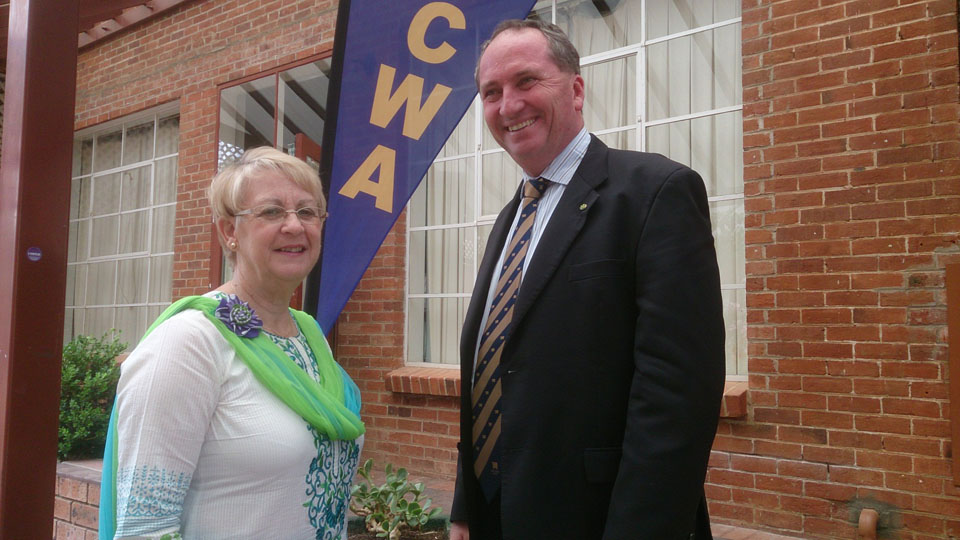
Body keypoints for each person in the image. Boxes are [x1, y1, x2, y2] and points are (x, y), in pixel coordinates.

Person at [449, 20, 725, 540]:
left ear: (575, 89)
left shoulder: (655, 193)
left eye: (527, 81)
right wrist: (468, 503)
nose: (508, 105)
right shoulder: (509, 221)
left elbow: (676, 402)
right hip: (500, 516)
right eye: (491, 92)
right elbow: (493, 370)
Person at [99, 147, 365, 540]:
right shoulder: (188, 344)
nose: (294, 226)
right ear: (228, 232)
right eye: (272, 212)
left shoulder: (311, 337)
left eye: (307, 212)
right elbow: (145, 527)